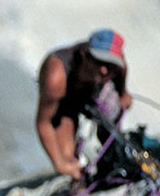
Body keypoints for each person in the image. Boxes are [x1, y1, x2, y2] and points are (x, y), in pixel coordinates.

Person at [35, 29, 133, 180]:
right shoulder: (56, 77)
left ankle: (111, 159)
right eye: (99, 62)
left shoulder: (115, 67)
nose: (104, 70)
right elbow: (44, 123)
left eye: (110, 65)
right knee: (67, 158)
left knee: (112, 127)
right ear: (84, 55)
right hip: (65, 102)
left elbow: (122, 67)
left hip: (93, 91)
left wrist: (123, 93)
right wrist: (60, 164)